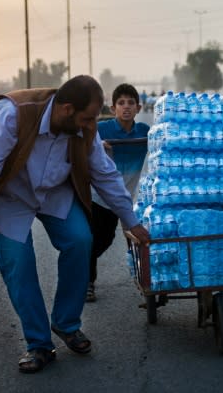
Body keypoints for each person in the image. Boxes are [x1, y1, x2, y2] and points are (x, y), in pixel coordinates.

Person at [0, 75, 151, 374]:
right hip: (10, 197)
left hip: (55, 193)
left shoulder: (84, 128)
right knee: (19, 263)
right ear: (65, 110)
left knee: (80, 240)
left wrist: (131, 221)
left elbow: (105, 174)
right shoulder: (13, 113)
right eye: (87, 118)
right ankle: (39, 344)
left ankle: (66, 323)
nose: (91, 126)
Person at [87, 83, 150, 302]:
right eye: (121, 103)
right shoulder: (101, 130)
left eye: (131, 103)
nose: (126, 107)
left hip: (128, 199)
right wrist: (96, 145)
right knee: (98, 240)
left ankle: (146, 281)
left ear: (138, 108)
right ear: (113, 108)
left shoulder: (144, 132)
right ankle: (87, 281)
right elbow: (82, 142)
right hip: (100, 198)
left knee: (138, 239)